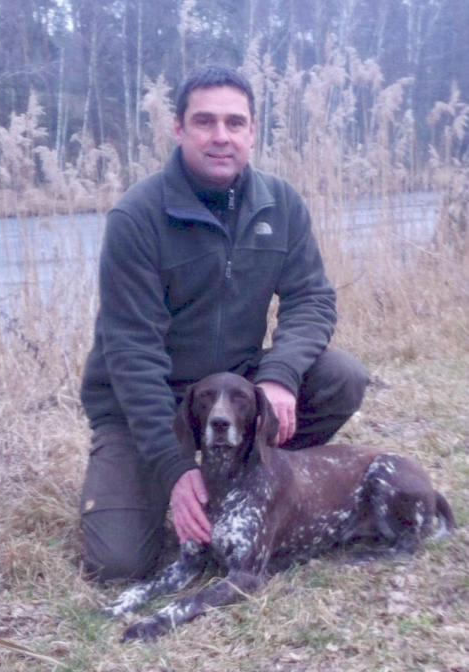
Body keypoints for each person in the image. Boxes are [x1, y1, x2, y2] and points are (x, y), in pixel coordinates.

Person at [79, 65, 369, 582]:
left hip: (235, 392)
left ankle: (260, 493)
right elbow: (132, 354)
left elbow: (311, 298)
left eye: (235, 123)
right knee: (117, 563)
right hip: (145, 406)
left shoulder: (281, 205)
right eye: (204, 121)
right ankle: (180, 482)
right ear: (178, 129)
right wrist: (175, 468)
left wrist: (278, 375)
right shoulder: (137, 217)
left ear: (252, 131)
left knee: (341, 376)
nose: (221, 136)